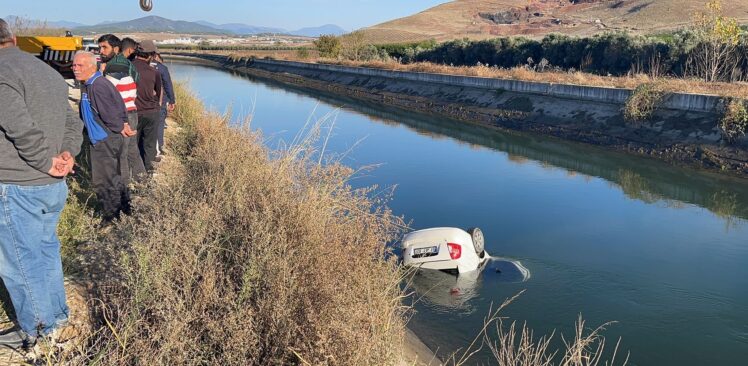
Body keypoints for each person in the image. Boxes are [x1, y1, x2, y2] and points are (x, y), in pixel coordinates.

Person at [0, 19, 83, 348]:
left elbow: (19, 127)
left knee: (20, 261)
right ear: (14, 38)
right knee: (45, 251)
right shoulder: (44, 70)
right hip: (51, 185)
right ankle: (57, 317)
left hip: (17, 184)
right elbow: (70, 120)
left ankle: (38, 333)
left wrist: (45, 161)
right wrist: (68, 154)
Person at [72, 51, 132, 223]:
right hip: (105, 138)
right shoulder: (91, 83)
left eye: (80, 65)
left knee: (104, 180)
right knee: (114, 176)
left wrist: (120, 126)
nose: (75, 69)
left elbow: (111, 113)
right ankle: (124, 209)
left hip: (105, 140)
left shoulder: (98, 85)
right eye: (74, 65)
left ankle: (110, 217)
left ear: (92, 67)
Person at [98, 34, 146, 182]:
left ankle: (124, 190)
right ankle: (142, 181)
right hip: (132, 110)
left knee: (121, 153)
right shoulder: (128, 64)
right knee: (132, 149)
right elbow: (137, 81)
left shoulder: (114, 67)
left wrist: (100, 74)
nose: (101, 51)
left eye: (104, 47)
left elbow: (105, 94)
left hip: (122, 114)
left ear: (116, 48)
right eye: (100, 47)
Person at [130, 40, 162, 173]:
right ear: (150, 55)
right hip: (151, 112)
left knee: (133, 145)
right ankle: (148, 172)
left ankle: (135, 173)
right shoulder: (154, 72)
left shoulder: (128, 68)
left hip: (133, 112)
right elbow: (159, 93)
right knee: (149, 145)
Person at [152, 52, 175, 156]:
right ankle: (159, 146)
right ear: (156, 56)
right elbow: (168, 85)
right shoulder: (162, 68)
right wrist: (172, 100)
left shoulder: (137, 66)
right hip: (161, 100)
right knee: (160, 123)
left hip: (143, 101)